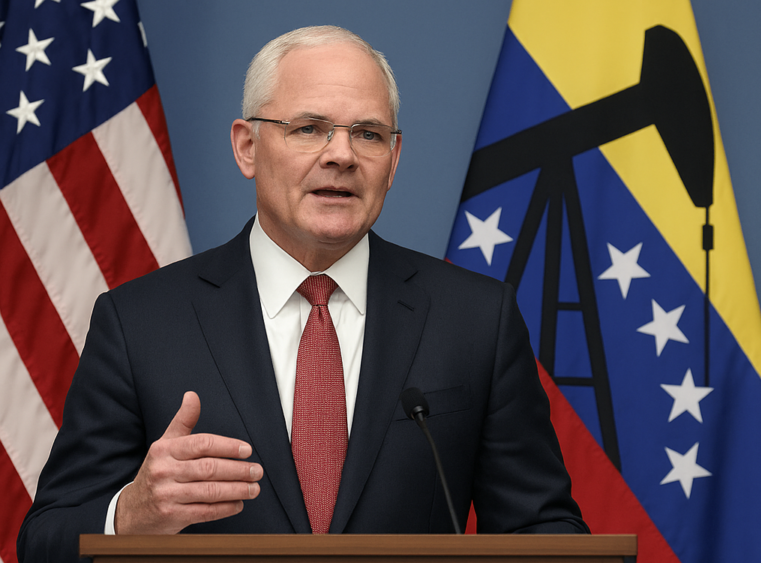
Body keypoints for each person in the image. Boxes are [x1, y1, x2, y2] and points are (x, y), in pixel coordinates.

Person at [17, 25, 588, 562]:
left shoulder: (476, 318)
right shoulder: (139, 322)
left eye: (368, 134)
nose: (341, 155)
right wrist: (132, 514)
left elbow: (543, 527)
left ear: (393, 161)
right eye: (309, 128)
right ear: (247, 146)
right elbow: (45, 539)